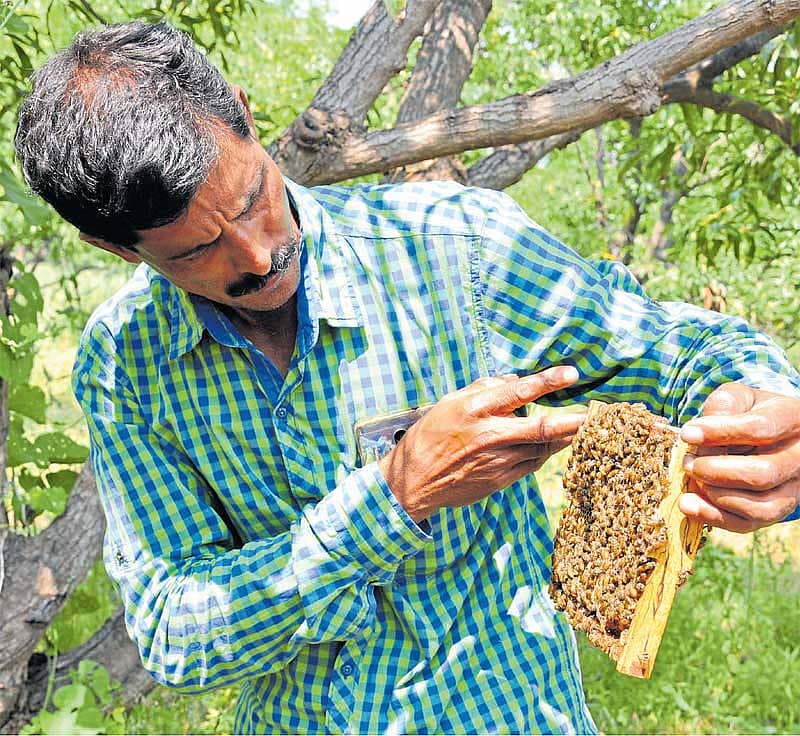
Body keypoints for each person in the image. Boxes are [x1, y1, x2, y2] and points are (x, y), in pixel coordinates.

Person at [14, 19, 800, 735]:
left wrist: (767, 412)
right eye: (196, 252)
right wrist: (391, 500)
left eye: (252, 200)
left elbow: (681, 350)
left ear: (246, 118)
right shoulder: (127, 362)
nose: (256, 256)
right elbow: (174, 634)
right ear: (116, 248)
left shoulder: (451, 250)